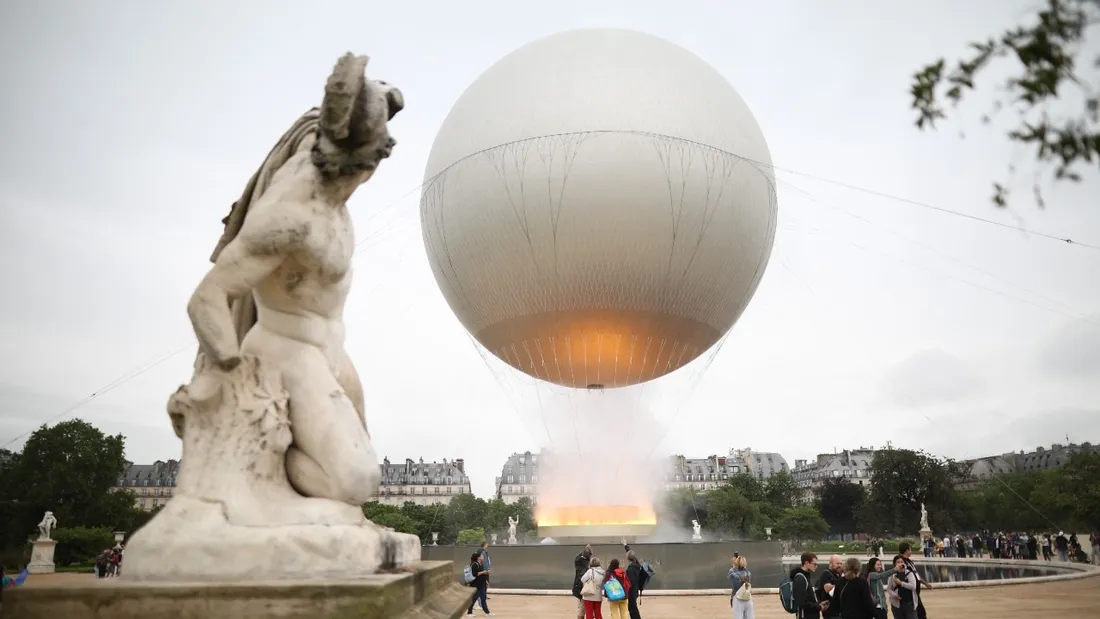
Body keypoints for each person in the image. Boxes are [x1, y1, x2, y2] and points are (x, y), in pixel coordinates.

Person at [898, 542, 931, 619]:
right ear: (906, 550)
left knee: (920, 613)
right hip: (910, 594)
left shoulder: (909, 562)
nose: (911, 551)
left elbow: (916, 575)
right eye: (910, 549)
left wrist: (925, 583)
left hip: (915, 592)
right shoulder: (902, 562)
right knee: (919, 613)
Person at [790, 552, 829, 619]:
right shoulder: (800, 578)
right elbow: (803, 602)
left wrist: (819, 604)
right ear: (806, 563)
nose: (816, 566)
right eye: (814, 564)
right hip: (805, 616)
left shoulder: (805, 576)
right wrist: (819, 607)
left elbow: (809, 598)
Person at [624, 545, 650, 619]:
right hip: (635, 590)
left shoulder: (631, 569)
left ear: (627, 558)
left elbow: (630, 582)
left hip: (632, 591)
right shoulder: (637, 565)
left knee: (632, 608)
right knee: (633, 608)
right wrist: (626, 546)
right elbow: (633, 556)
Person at [465, 552, 492, 616]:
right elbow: (475, 574)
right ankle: (469, 612)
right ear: (478, 558)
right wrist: (483, 572)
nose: (483, 557)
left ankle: (487, 612)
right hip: (475, 585)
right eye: (482, 556)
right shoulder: (474, 564)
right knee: (474, 599)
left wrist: (486, 581)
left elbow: (482, 574)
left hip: (482, 584)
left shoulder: (480, 564)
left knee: (483, 598)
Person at [572, 544, 593, 619]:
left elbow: (580, 556)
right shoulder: (585, 565)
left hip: (578, 588)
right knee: (582, 610)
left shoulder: (578, 560)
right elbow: (583, 578)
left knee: (581, 609)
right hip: (583, 590)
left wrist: (586, 549)